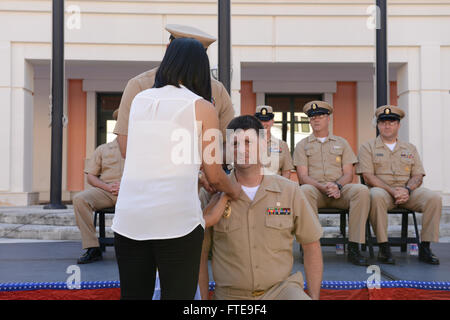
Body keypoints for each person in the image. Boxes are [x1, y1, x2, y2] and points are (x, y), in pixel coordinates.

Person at [111, 38, 241, 300]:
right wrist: (233, 190)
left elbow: (146, 152)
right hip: (176, 223)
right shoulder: (203, 107)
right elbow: (215, 174)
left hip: (129, 220)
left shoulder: (140, 100)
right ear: (200, 69)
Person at [199, 115, 323, 300]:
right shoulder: (212, 194)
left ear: (263, 145)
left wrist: (314, 297)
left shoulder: (289, 191)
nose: (242, 150)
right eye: (234, 144)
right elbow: (199, 255)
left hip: (281, 292)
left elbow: (311, 245)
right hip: (231, 296)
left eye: (248, 142)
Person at [113, 24, 235, 159]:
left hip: (204, 176)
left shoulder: (217, 90)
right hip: (153, 176)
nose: (187, 63)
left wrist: (205, 167)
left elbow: (230, 144)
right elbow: (126, 146)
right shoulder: (140, 86)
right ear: (167, 49)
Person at [357, 105, 442, 265]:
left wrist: (407, 190)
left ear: (398, 125)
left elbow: (418, 174)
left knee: (434, 198)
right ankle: (384, 247)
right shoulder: (368, 147)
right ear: (378, 125)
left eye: (392, 122)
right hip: (383, 192)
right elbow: (368, 176)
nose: (387, 125)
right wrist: (392, 190)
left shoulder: (410, 148)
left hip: (407, 192)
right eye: (383, 122)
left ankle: (425, 247)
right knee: (375, 195)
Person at [293, 101, 370, 266]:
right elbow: (302, 176)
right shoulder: (302, 145)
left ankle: (355, 247)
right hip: (316, 191)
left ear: (328, 119)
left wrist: (338, 186)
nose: (316, 120)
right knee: (304, 190)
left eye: (320, 116)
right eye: (313, 117)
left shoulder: (342, 143)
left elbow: (349, 173)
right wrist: (324, 187)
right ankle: (312, 247)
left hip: (340, 191)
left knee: (361, 190)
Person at [73, 109, 124, 264]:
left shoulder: (140, 148)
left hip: (132, 192)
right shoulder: (103, 149)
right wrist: (108, 188)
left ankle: (143, 247)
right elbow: (91, 176)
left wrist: (127, 186)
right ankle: (92, 247)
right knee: (80, 199)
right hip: (107, 191)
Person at [254, 105, 294, 178]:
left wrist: (281, 188)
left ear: (272, 121)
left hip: (276, 187)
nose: (263, 124)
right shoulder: (248, 144)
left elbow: (286, 172)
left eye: (267, 120)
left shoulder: (282, 145)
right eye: (261, 120)